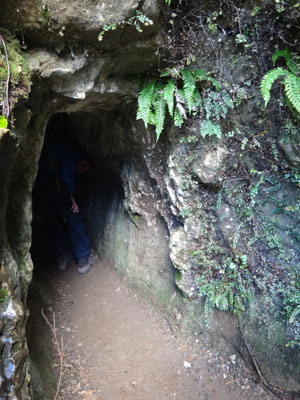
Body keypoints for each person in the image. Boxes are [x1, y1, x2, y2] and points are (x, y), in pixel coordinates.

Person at [33, 130, 95, 275]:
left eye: (84, 170)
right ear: (85, 158)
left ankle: (61, 257)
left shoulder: (57, 147)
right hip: (53, 182)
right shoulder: (74, 152)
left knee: (51, 219)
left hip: (37, 182)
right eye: (84, 165)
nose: (82, 169)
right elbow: (66, 174)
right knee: (74, 216)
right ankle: (83, 258)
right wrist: (71, 198)